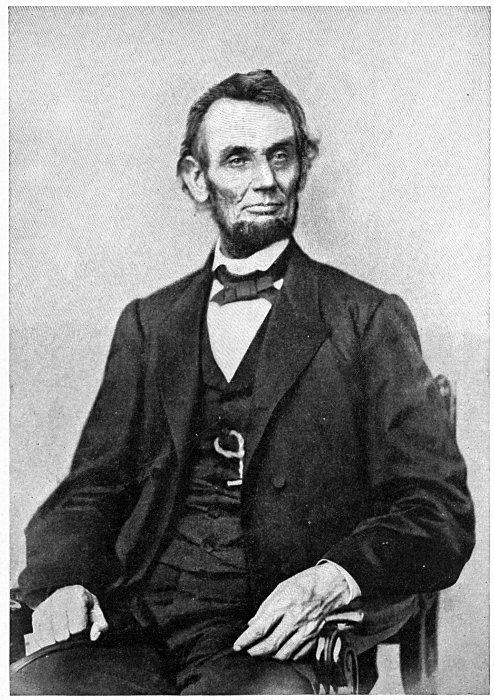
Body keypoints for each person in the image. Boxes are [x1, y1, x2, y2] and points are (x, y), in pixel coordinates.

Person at [11, 69, 474, 695]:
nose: (266, 180)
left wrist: (335, 579)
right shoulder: (150, 323)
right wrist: (65, 580)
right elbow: (91, 488)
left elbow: (437, 510)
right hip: (133, 619)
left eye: (281, 156)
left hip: (274, 633)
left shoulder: (367, 319)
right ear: (195, 179)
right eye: (238, 159)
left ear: (302, 168)